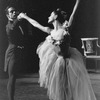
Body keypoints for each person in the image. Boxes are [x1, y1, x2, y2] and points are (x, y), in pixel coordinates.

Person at [18, 0, 97, 100]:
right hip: (58, 62)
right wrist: (25, 17)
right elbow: (35, 24)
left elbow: (74, 13)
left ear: (55, 17)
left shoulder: (65, 29)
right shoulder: (50, 31)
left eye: (50, 15)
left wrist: (78, 2)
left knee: (69, 88)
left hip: (69, 62)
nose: (48, 17)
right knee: (60, 88)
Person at [4, 6, 25, 100]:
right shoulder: (9, 25)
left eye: (14, 11)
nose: (14, 13)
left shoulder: (17, 24)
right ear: (7, 15)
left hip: (17, 52)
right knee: (12, 78)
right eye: (11, 12)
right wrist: (18, 18)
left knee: (14, 77)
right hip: (12, 53)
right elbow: (12, 28)